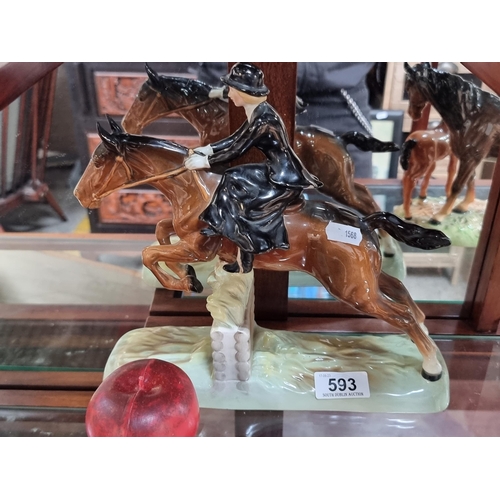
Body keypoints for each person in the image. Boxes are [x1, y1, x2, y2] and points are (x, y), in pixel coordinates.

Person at [185, 62, 322, 274]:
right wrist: (209, 149)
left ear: (244, 93)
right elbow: (235, 138)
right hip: (275, 168)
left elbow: (238, 148)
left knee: (236, 185)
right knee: (232, 177)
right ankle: (232, 242)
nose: (229, 94)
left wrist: (206, 161)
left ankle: (240, 238)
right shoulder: (258, 111)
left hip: (283, 177)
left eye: (232, 89)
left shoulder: (263, 119)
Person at [197, 62, 376, 177]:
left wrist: (282, 70)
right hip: (233, 99)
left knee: (347, 215)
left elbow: (239, 143)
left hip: (333, 105)